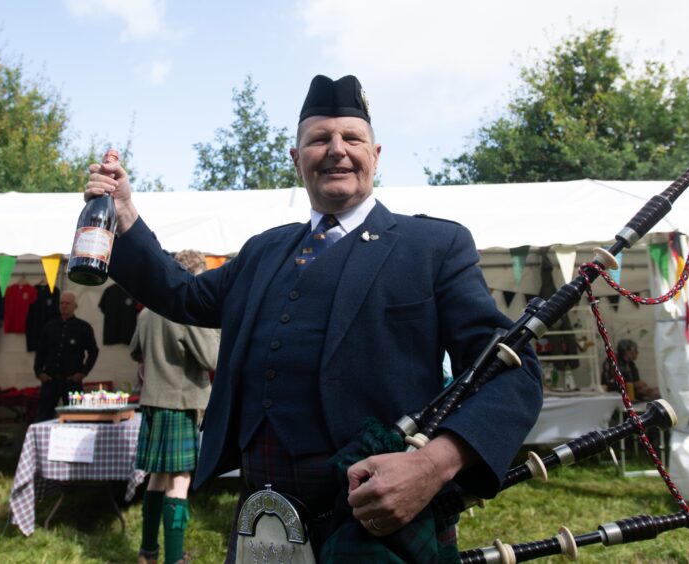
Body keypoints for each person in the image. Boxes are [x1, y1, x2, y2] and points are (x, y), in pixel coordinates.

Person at [85, 75, 542, 560]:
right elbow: (181, 296)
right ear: (295, 157)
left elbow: (513, 373)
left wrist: (433, 465)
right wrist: (125, 212)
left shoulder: (432, 247)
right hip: (263, 508)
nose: (337, 150)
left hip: (379, 512)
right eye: (320, 139)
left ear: (377, 154)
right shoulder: (265, 251)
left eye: (352, 138)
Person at [131, 249, 221, 564]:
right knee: (179, 482)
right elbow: (212, 359)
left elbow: (135, 351)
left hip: (153, 401)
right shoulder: (188, 308)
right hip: (180, 402)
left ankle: (148, 552)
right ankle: (173, 558)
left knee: (156, 477)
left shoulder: (147, 311)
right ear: (192, 275)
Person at [33, 291, 98, 421]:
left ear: (75, 306)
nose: (64, 306)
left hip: (72, 381)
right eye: (61, 303)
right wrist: (39, 372)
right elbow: (40, 351)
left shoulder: (83, 327)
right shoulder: (49, 326)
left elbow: (93, 351)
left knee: (76, 418)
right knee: (43, 417)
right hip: (50, 380)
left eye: (67, 303)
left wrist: (83, 372)